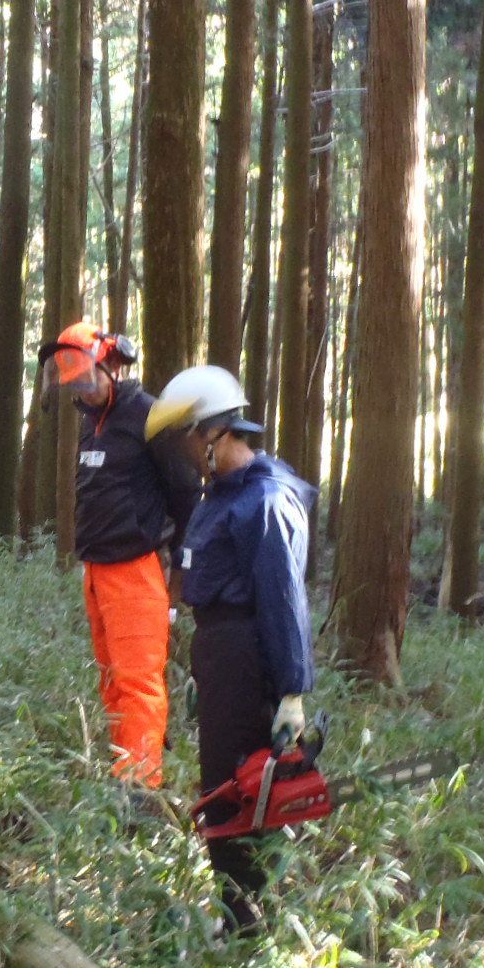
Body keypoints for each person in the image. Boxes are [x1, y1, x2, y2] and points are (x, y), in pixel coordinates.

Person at [145, 365, 315, 936]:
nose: (189, 453)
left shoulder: (265, 500)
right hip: (219, 654)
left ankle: (247, 919)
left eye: (191, 438)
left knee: (242, 790)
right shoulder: (221, 496)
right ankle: (233, 909)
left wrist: (292, 691)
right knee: (221, 783)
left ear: (216, 432)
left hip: (249, 658)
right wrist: (201, 668)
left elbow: (283, 600)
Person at [38, 321, 197, 786]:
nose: (81, 391)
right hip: (97, 567)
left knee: (138, 681)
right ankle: (121, 771)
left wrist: (183, 565)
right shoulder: (93, 424)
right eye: (73, 383)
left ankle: (142, 787)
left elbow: (187, 496)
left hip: (136, 568)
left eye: (87, 379)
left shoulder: (151, 417)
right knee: (111, 678)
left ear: (112, 365)